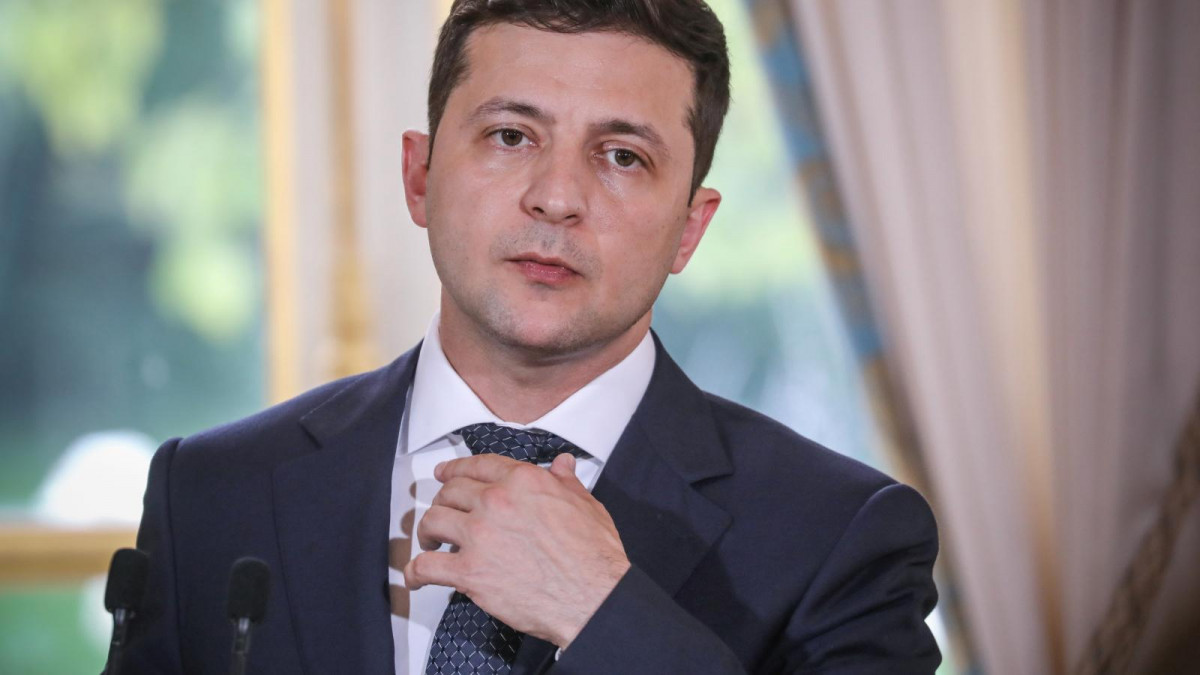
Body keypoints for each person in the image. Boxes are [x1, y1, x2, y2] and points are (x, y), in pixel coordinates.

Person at [120, 1, 941, 673]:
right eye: (511, 136)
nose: (556, 197)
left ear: (690, 228)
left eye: (622, 156)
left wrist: (603, 610)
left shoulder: (843, 536)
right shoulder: (211, 493)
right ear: (420, 175)